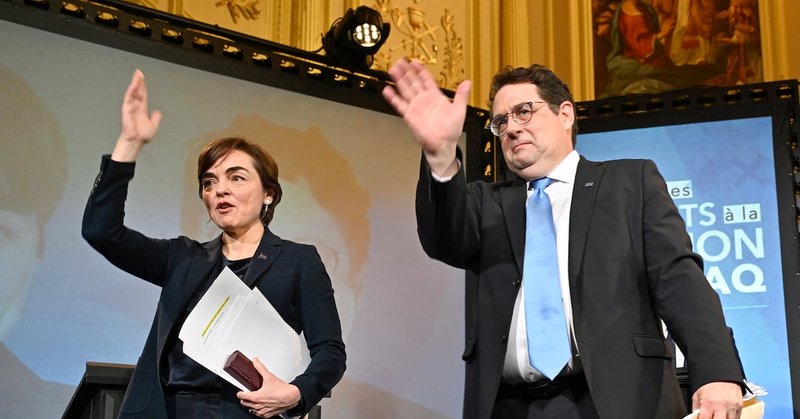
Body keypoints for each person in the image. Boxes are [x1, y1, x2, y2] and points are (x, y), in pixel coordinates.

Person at [382, 59, 745, 419]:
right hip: (510, 407)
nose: (511, 128)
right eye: (501, 121)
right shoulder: (484, 202)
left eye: (524, 112)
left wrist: (716, 371)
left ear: (566, 114)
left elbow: (678, 279)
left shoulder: (630, 182)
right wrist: (441, 156)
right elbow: (444, 240)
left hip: (616, 401)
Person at [82, 69, 346, 419]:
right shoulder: (182, 257)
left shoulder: (298, 261)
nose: (220, 189)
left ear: (268, 193)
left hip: (245, 412)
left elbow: (330, 351)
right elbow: (101, 231)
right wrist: (128, 143)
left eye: (236, 178)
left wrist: (296, 394)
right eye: (209, 182)